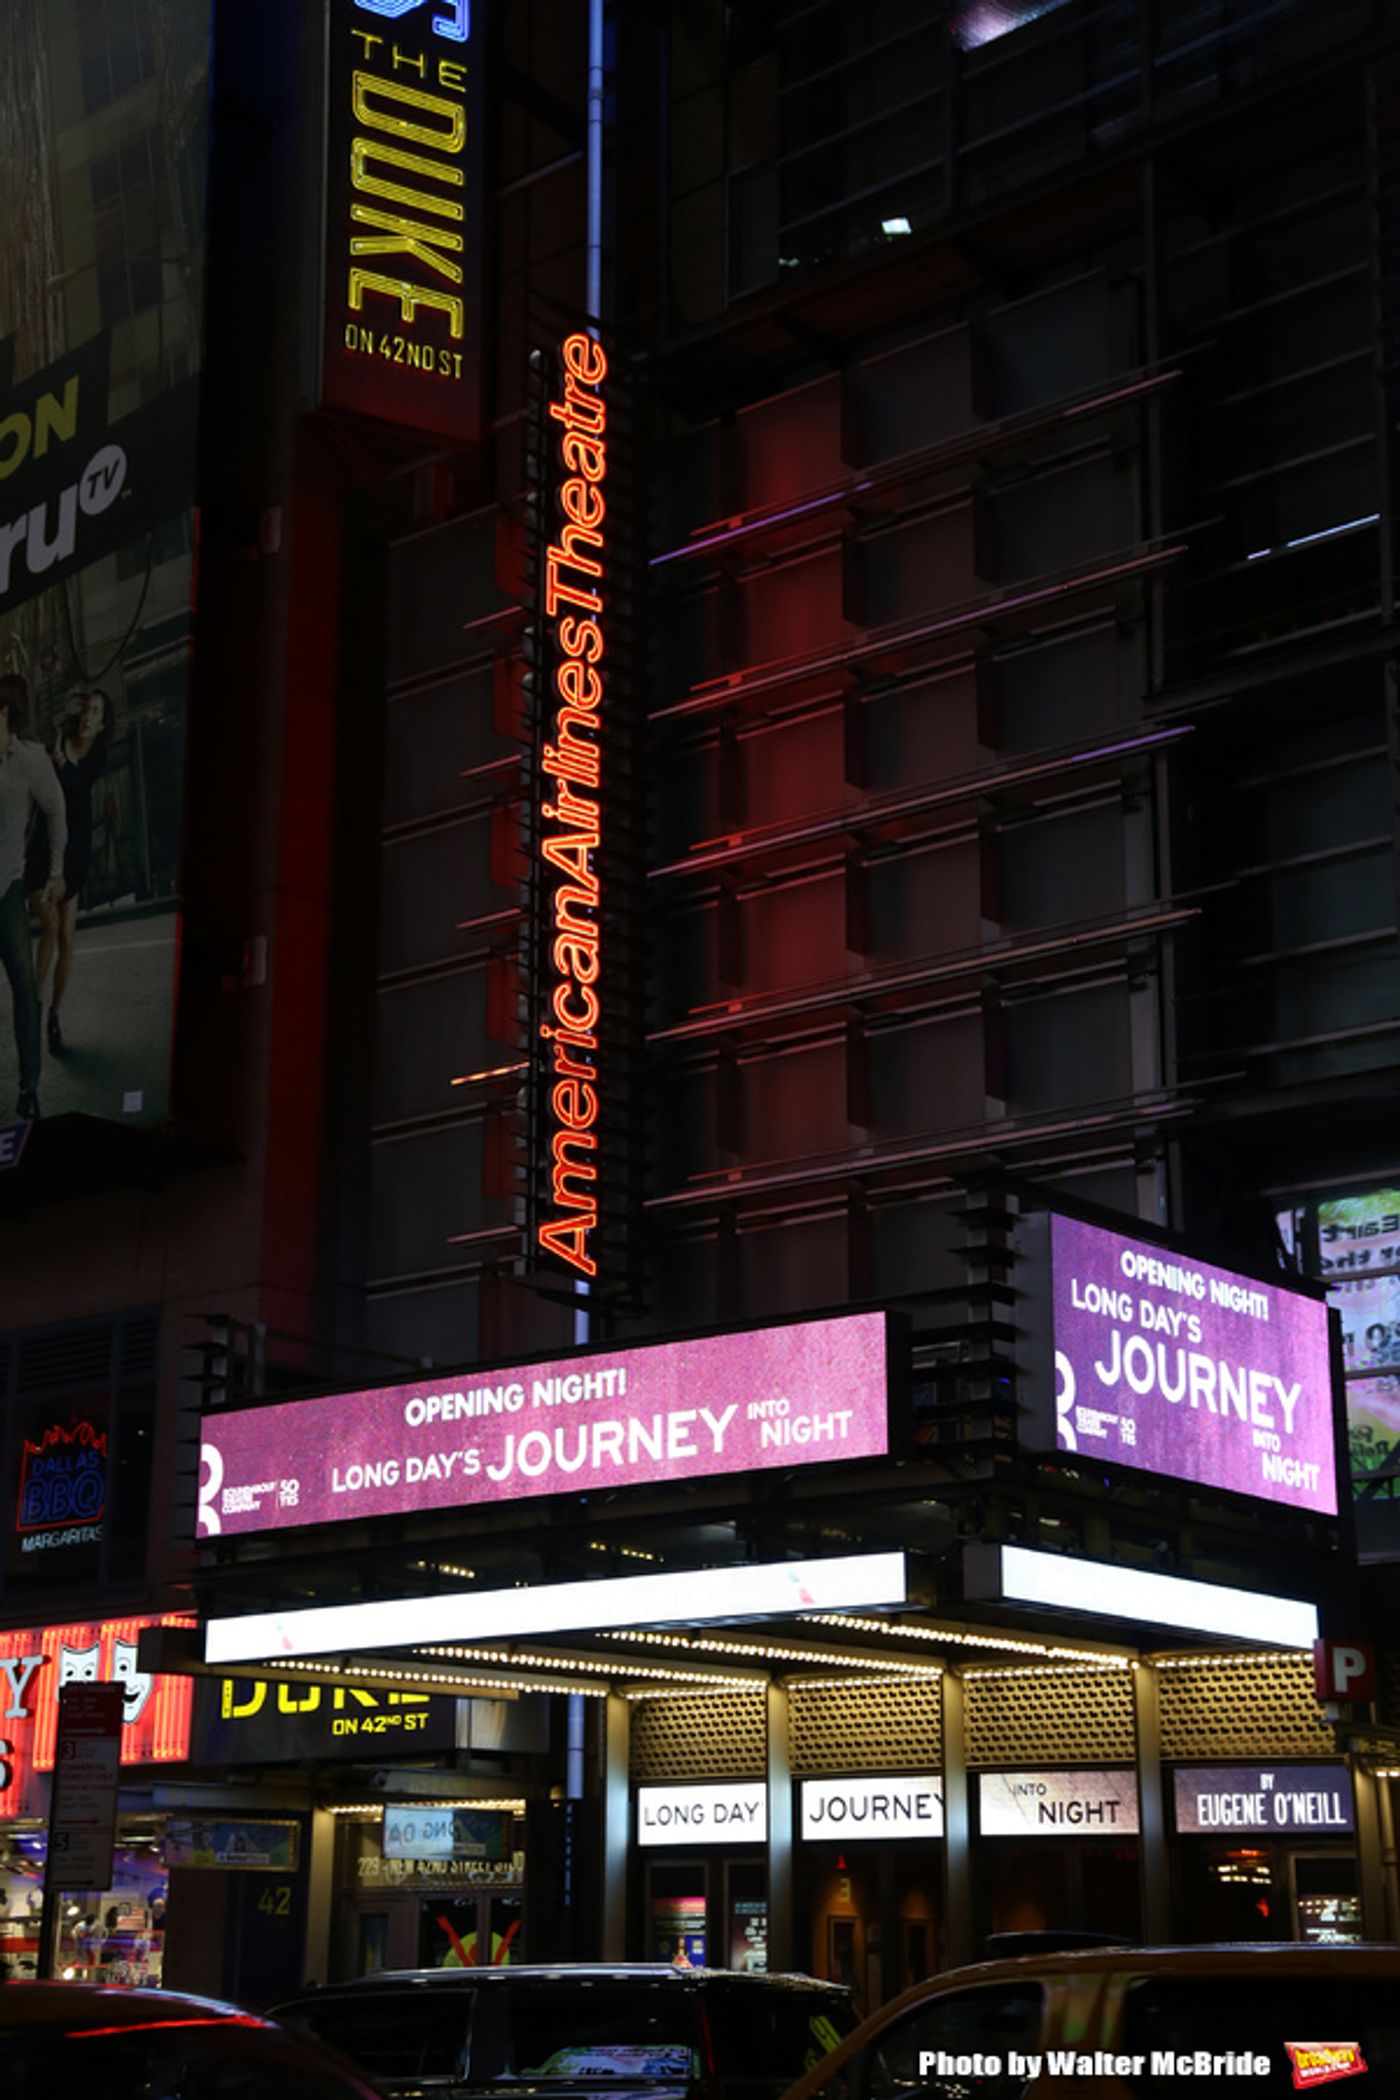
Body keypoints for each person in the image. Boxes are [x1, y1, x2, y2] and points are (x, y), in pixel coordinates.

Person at [28, 686, 109, 1056]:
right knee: (50, 926)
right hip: (46, 851)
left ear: (102, 724)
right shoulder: (59, 743)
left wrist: (61, 762)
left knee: (67, 938)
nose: (87, 716)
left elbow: (77, 784)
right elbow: (43, 791)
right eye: (86, 709)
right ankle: (33, 1007)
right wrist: (51, 759)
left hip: (74, 855)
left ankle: (54, 1017)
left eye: (95, 712)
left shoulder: (97, 755)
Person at [0, 674, 65, 1120]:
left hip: (7, 892)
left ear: (5, 713)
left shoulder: (29, 760)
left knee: (24, 987)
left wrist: (57, 870)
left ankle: (29, 1089)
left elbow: (56, 808)